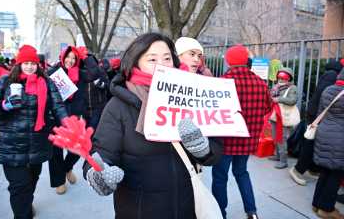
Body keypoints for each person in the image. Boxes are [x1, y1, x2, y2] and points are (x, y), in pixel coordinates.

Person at [84, 33, 223, 219]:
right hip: (138, 211)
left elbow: (214, 154)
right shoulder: (118, 107)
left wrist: (203, 149)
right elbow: (101, 156)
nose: (162, 65)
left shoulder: (191, 99)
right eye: (152, 59)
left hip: (186, 208)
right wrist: (98, 175)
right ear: (135, 63)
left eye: (167, 58)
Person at [0, 45, 68, 219]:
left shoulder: (47, 82)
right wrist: (4, 105)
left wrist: (68, 124)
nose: (30, 67)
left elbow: (58, 106)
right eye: (26, 63)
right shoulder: (5, 82)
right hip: (11, 145)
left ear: (38, 65)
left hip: (37, 144)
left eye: (33, 63)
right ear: (19, 64)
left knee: (31, 183)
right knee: (19, 187)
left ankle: (27, 205)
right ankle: (23, 213)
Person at [212, 44, 272, 219]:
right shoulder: (261, 84)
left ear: (229, 61)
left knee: (220, 177)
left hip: (225, 141)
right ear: (246, 61)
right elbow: (268, 107)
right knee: (242, 173)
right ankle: (251, 212)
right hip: (247, 140)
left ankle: (220, 214)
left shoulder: (221, 83)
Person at [47, 45, 96, 194]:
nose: (70, 60)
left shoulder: (81, 74)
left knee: (78, 147)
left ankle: (67, 168)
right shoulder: (53, 72)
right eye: (68, 57)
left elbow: (94, 73)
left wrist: (86, 57)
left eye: (74, 58)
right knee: (55, 151)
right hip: (56, 116)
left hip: (74, 116)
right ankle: (59, 181)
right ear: (63, 57)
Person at [289, 60, 342, 185]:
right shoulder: (332, 76)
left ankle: (313, 168)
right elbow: (325, 98)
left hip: (319, 115)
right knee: (311, 143)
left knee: (316, 143)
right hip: (319, 116)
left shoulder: (330, 74)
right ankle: (297, 170)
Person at [311, 68, 344, 218]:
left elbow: (320, 113)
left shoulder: (328, 90)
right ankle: (327, 208)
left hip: (324, 133)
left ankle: (316, 204)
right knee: (336, 173)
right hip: (340, 137)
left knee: (325, 170)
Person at [268, 67, 298, 169]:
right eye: (279, 77)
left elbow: (292, 101)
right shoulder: (276, 86)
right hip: (275, 116)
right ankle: (277, 155)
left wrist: (279, 99)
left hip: (284, 117)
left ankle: (283, 161)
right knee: (275, 136)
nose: (281, 80)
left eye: (284, 78)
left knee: (281, 139)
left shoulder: (292, 88)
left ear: (289, 78)